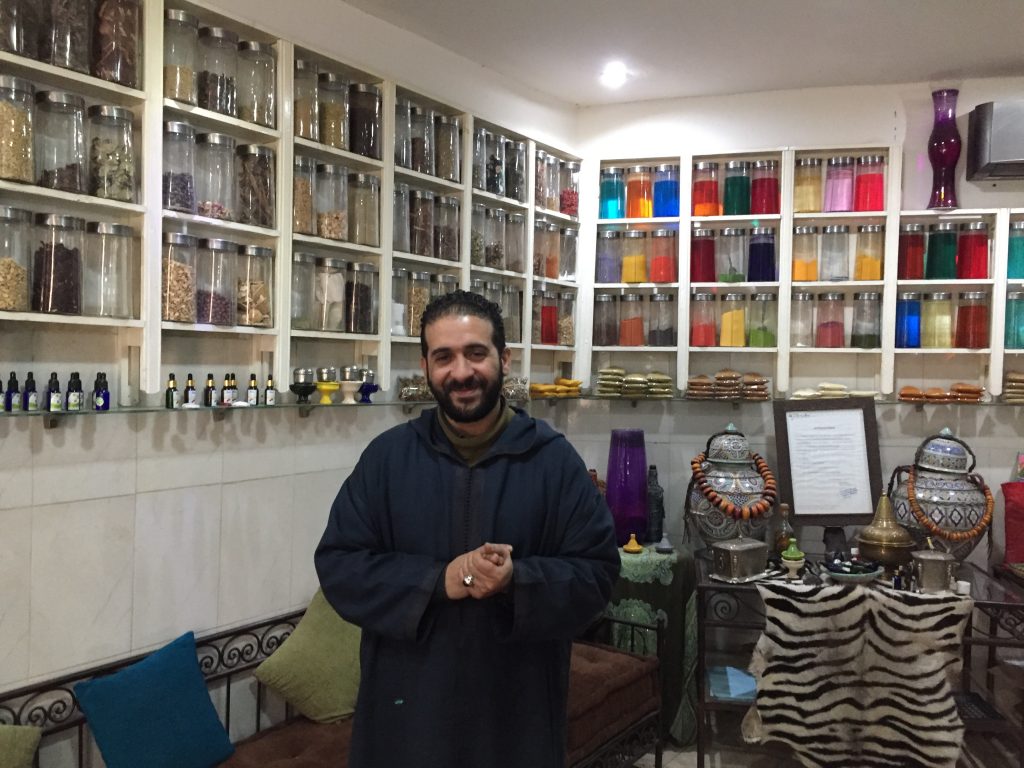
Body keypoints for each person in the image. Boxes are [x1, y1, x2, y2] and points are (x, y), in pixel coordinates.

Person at [315, 289, 620, 768]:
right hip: (407, 717)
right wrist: (439, 580)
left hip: (514, 716)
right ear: (425, 366)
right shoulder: (388, 460)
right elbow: (340, 566)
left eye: (476, 353)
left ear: (504, 358)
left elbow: (597, 574)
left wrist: (518, 579)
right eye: (444, 357)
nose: (461, 372)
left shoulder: (553, 462)